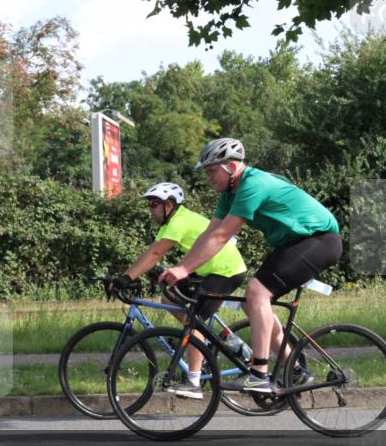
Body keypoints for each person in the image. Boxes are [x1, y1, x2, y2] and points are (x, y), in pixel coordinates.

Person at [160, 138, 341, 393]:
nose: (208, 178)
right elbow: (209, 235)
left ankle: (259, 373)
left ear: (232, 168)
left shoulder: (252, 185)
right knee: (252, 302)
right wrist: (181, 267)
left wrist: (184, 270)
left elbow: (222, 237)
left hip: (319, 239)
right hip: (295, 243)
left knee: (257, 292)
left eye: (212, 171)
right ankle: (296, 370)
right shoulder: (228, 194)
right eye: (207, 172)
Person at [107, 182, 247, 399]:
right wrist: (151, 274)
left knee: (194, 322)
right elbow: (153, 254)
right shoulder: (172, 221)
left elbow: (155, 253)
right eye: (149, 205)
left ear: (169, 205)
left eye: (154, 204)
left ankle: (194, 382)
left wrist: (126, 277)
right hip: (207, 269)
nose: (150, 209)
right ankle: (203, 345)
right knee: (168, 297)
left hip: (225, 270)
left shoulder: (179, 221)